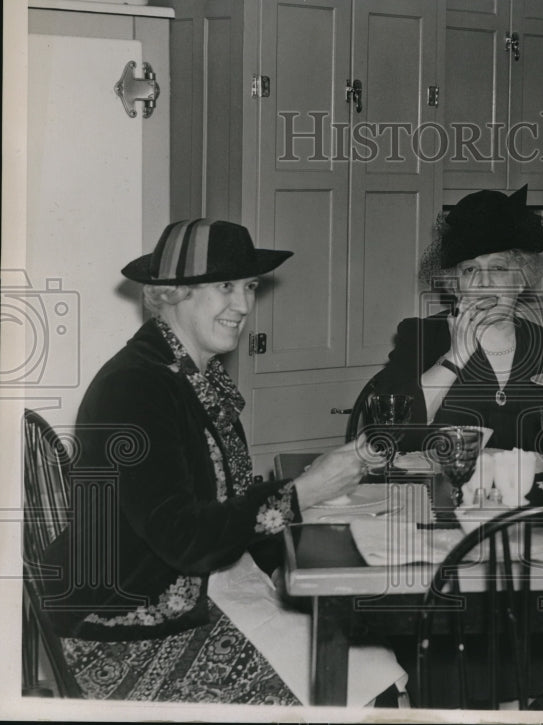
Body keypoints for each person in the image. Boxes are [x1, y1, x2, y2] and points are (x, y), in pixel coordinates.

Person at [40, 219, 406, 705]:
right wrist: (305, 491)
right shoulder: (134, 389)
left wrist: (286, 541)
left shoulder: (191, 375)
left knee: (374, 659)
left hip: (199, 589)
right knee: (369, 679)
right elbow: (185, 538)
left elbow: (223, 503)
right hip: (125, 630)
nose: (244, 305)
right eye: (224, 287)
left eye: (249, 286)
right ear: (170, 293)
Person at [370, 185, 543, 452]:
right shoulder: (419, 337)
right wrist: (455, 357)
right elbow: (388, 434)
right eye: (470, 270)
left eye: (498, 268)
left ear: (521, 279)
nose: (484, 282)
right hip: (440, 490)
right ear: (455, 285)